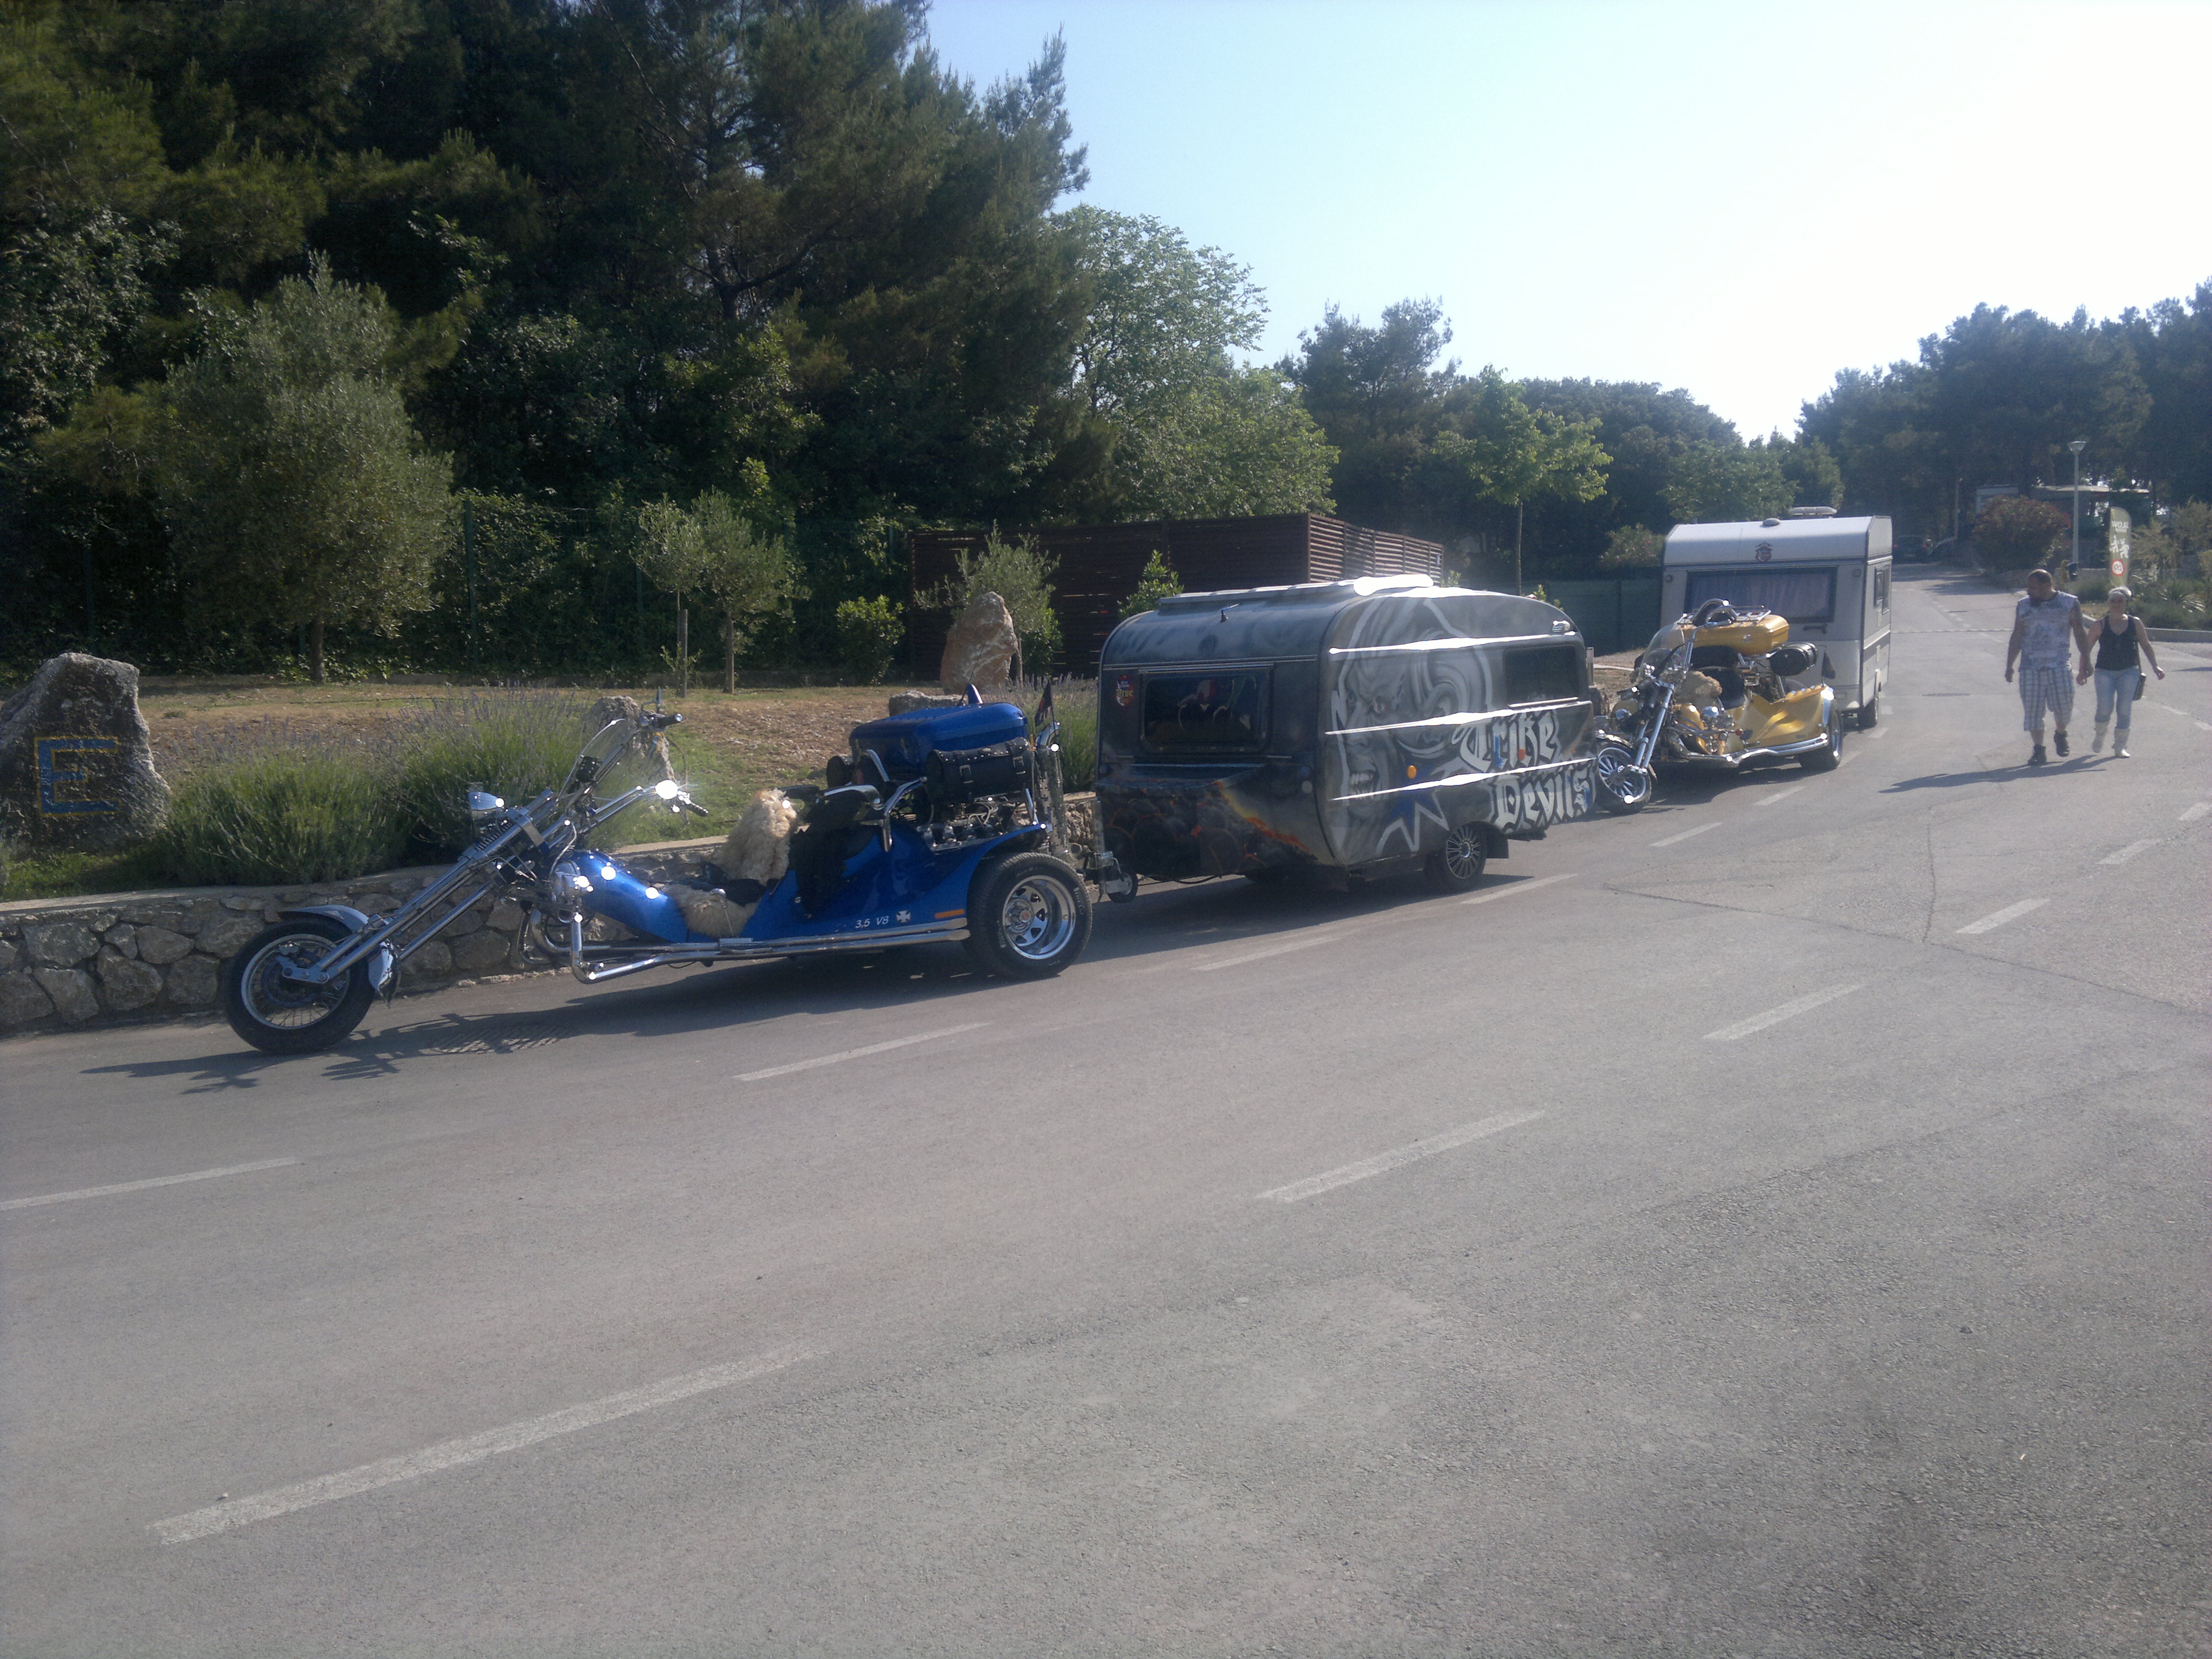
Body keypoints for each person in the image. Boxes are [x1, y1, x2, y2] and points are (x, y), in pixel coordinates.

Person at [2003, 568, 2093, 765]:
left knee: (2064, 706)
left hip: (2059, 665)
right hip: (2030, 667)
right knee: (2033, 711)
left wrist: (2086, 659)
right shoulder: (2024, 606)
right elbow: (2017, 635)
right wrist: (2010, 664)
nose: (2029, 591)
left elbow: (2080, 632)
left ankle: (2061, 733)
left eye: (2033, 588)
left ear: (2046, 586)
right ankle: (2039, 750)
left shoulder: (2069, 603)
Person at [2078, 585, 2164, 757]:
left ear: (2126, 603)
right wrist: (2082, 671)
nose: (2116, 604)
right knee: (2105, 708)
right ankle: (2100, 734)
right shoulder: (2100, 624)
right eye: (2113, 601)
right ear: (2108, 603)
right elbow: (2086, 649)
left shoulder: (2135, 623)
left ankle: (2120, 746)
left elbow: (2146, 645)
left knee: (2124, 708)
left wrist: (2155, 666)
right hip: (2104, 671)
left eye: (2120, 601)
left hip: (2129, 671)